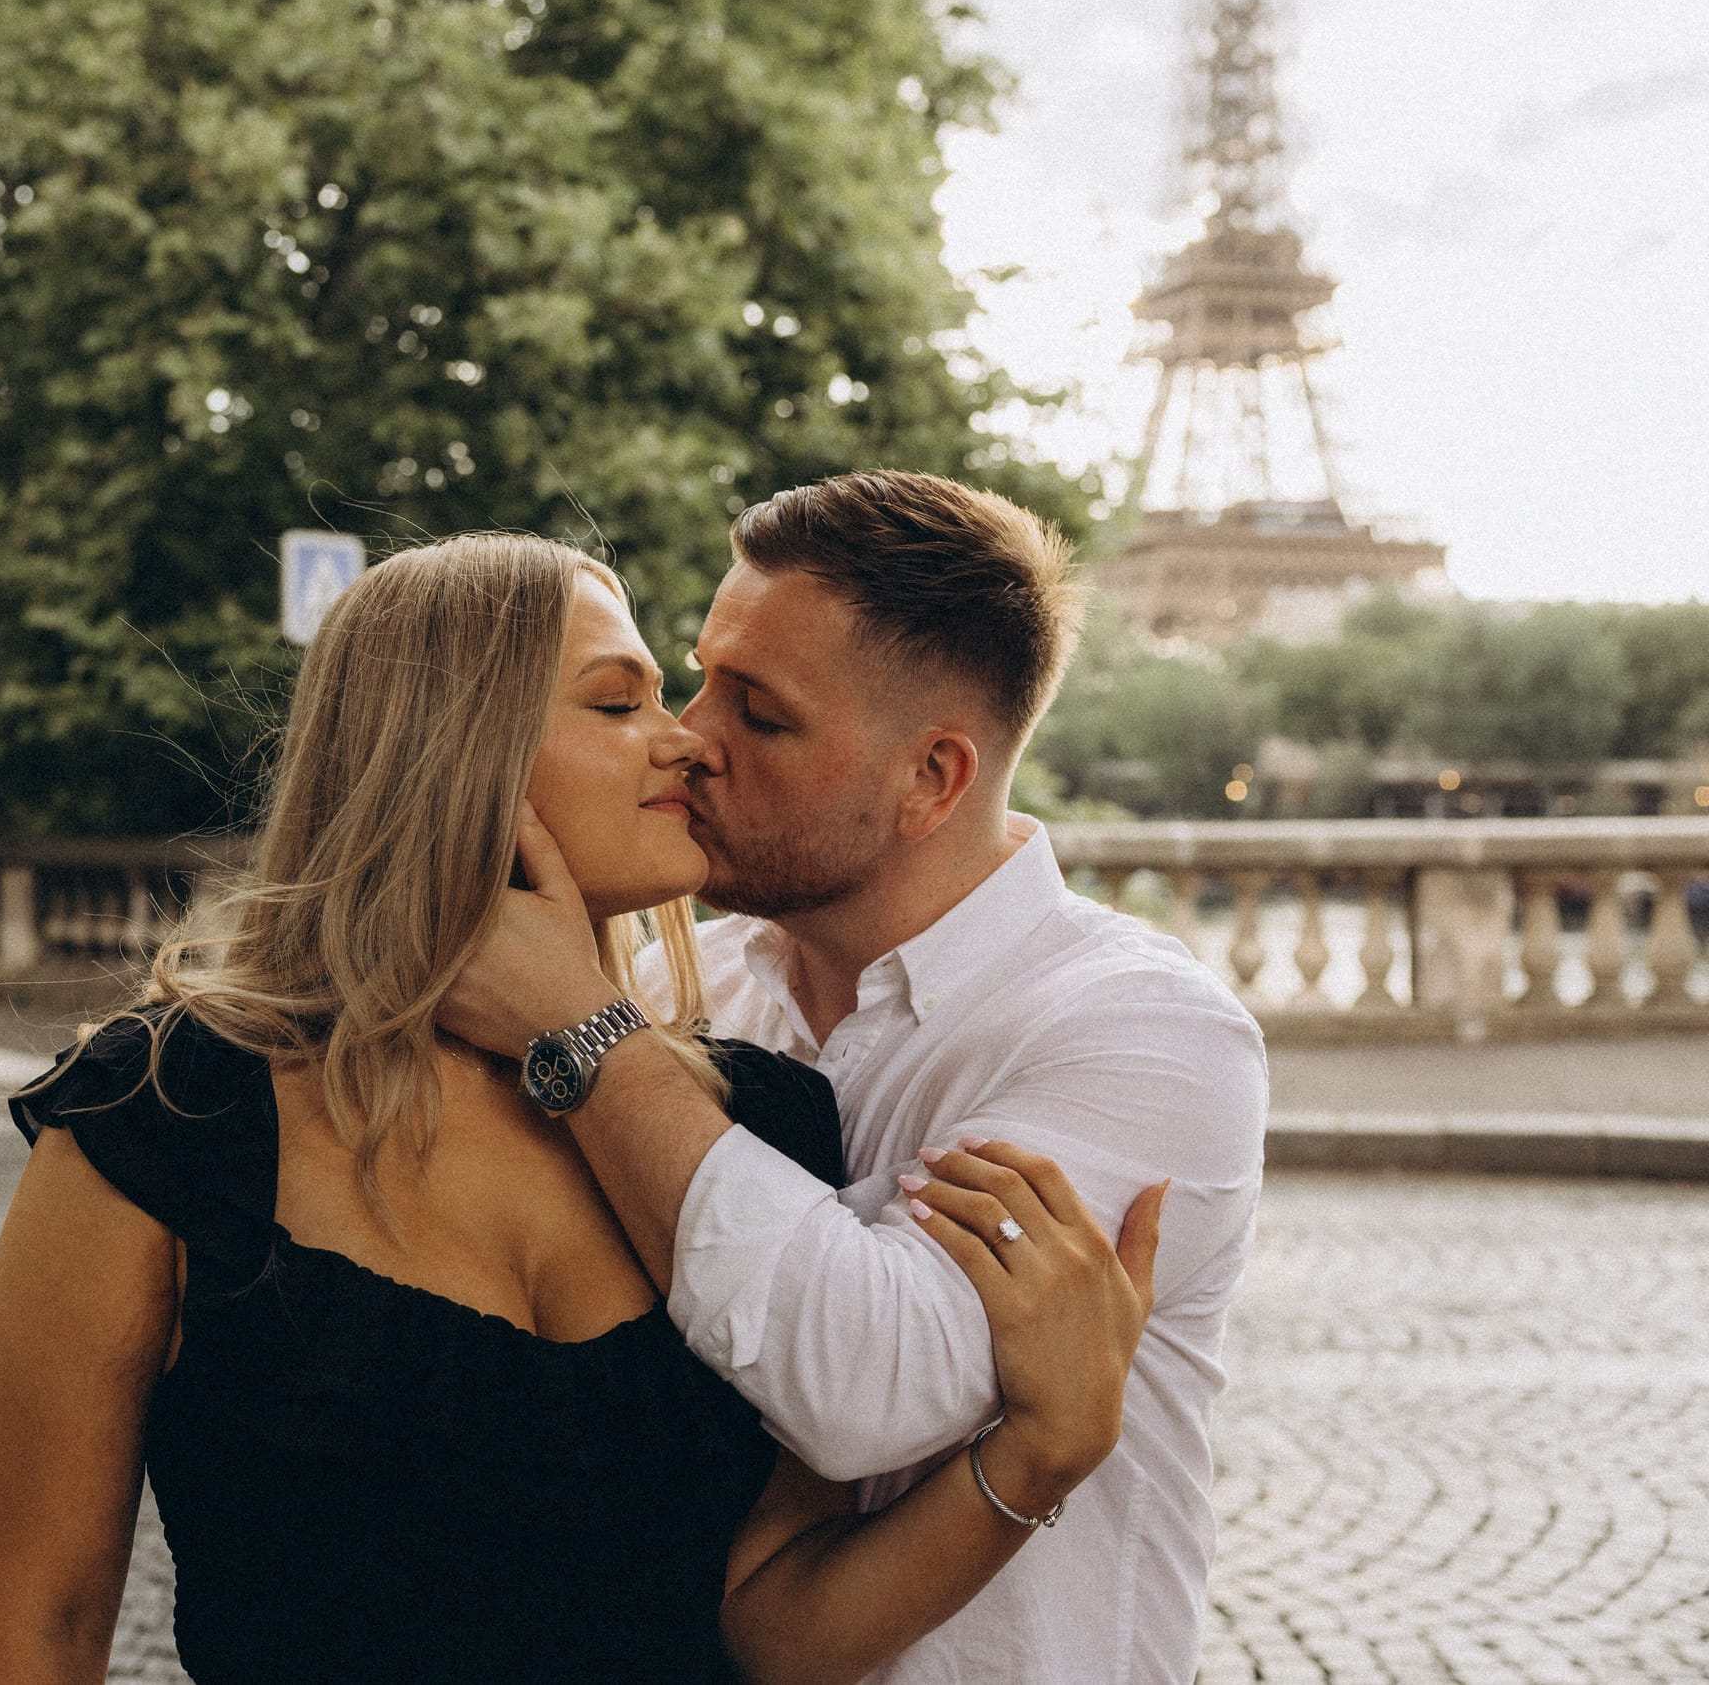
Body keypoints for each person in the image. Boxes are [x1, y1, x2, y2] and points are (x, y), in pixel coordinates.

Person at [0, 532, 1167, 1685]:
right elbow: (44, 1628)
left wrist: (1034, 1455)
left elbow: (778, 1641)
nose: (687, 745)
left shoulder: (761, 1121)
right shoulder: (165, 1109)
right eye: (619, 702)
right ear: (453, 750)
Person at [438, 473, 1270, 1684]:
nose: (689, 740)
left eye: (760, 718)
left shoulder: (1141, 1036)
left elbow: (867, 1386)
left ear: (930, 779)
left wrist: (582, 1031)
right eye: (699, 678)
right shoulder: (685, 994)